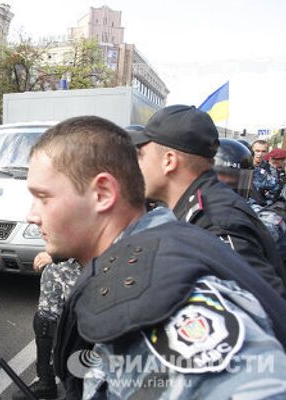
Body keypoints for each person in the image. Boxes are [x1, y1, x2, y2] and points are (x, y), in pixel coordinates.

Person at [25, 116, 286, 399]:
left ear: (102, 193)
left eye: (43, 197)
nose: (31, 215)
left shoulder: (161, 296)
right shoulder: (147, 250)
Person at [130, 105, 286, 295]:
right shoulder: (199, 207)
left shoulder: (217, 222)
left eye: (141, 155)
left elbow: (264, 303)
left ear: (169, 160)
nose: (136, 165)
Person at [13, 253, 82, 400]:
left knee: (82, 324)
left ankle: (79, 390)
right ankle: (46, 383)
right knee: (44, 321)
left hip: (84, 267)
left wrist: (58, 254)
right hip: (57, 268)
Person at [251, 139, 281, 204]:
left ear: (267, 153)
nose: (260, 154)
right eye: (257, 151)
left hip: (259, 207)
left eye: (263, 151)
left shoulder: (272, 170)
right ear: (252, 151)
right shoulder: (243, 166)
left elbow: (275, 191)